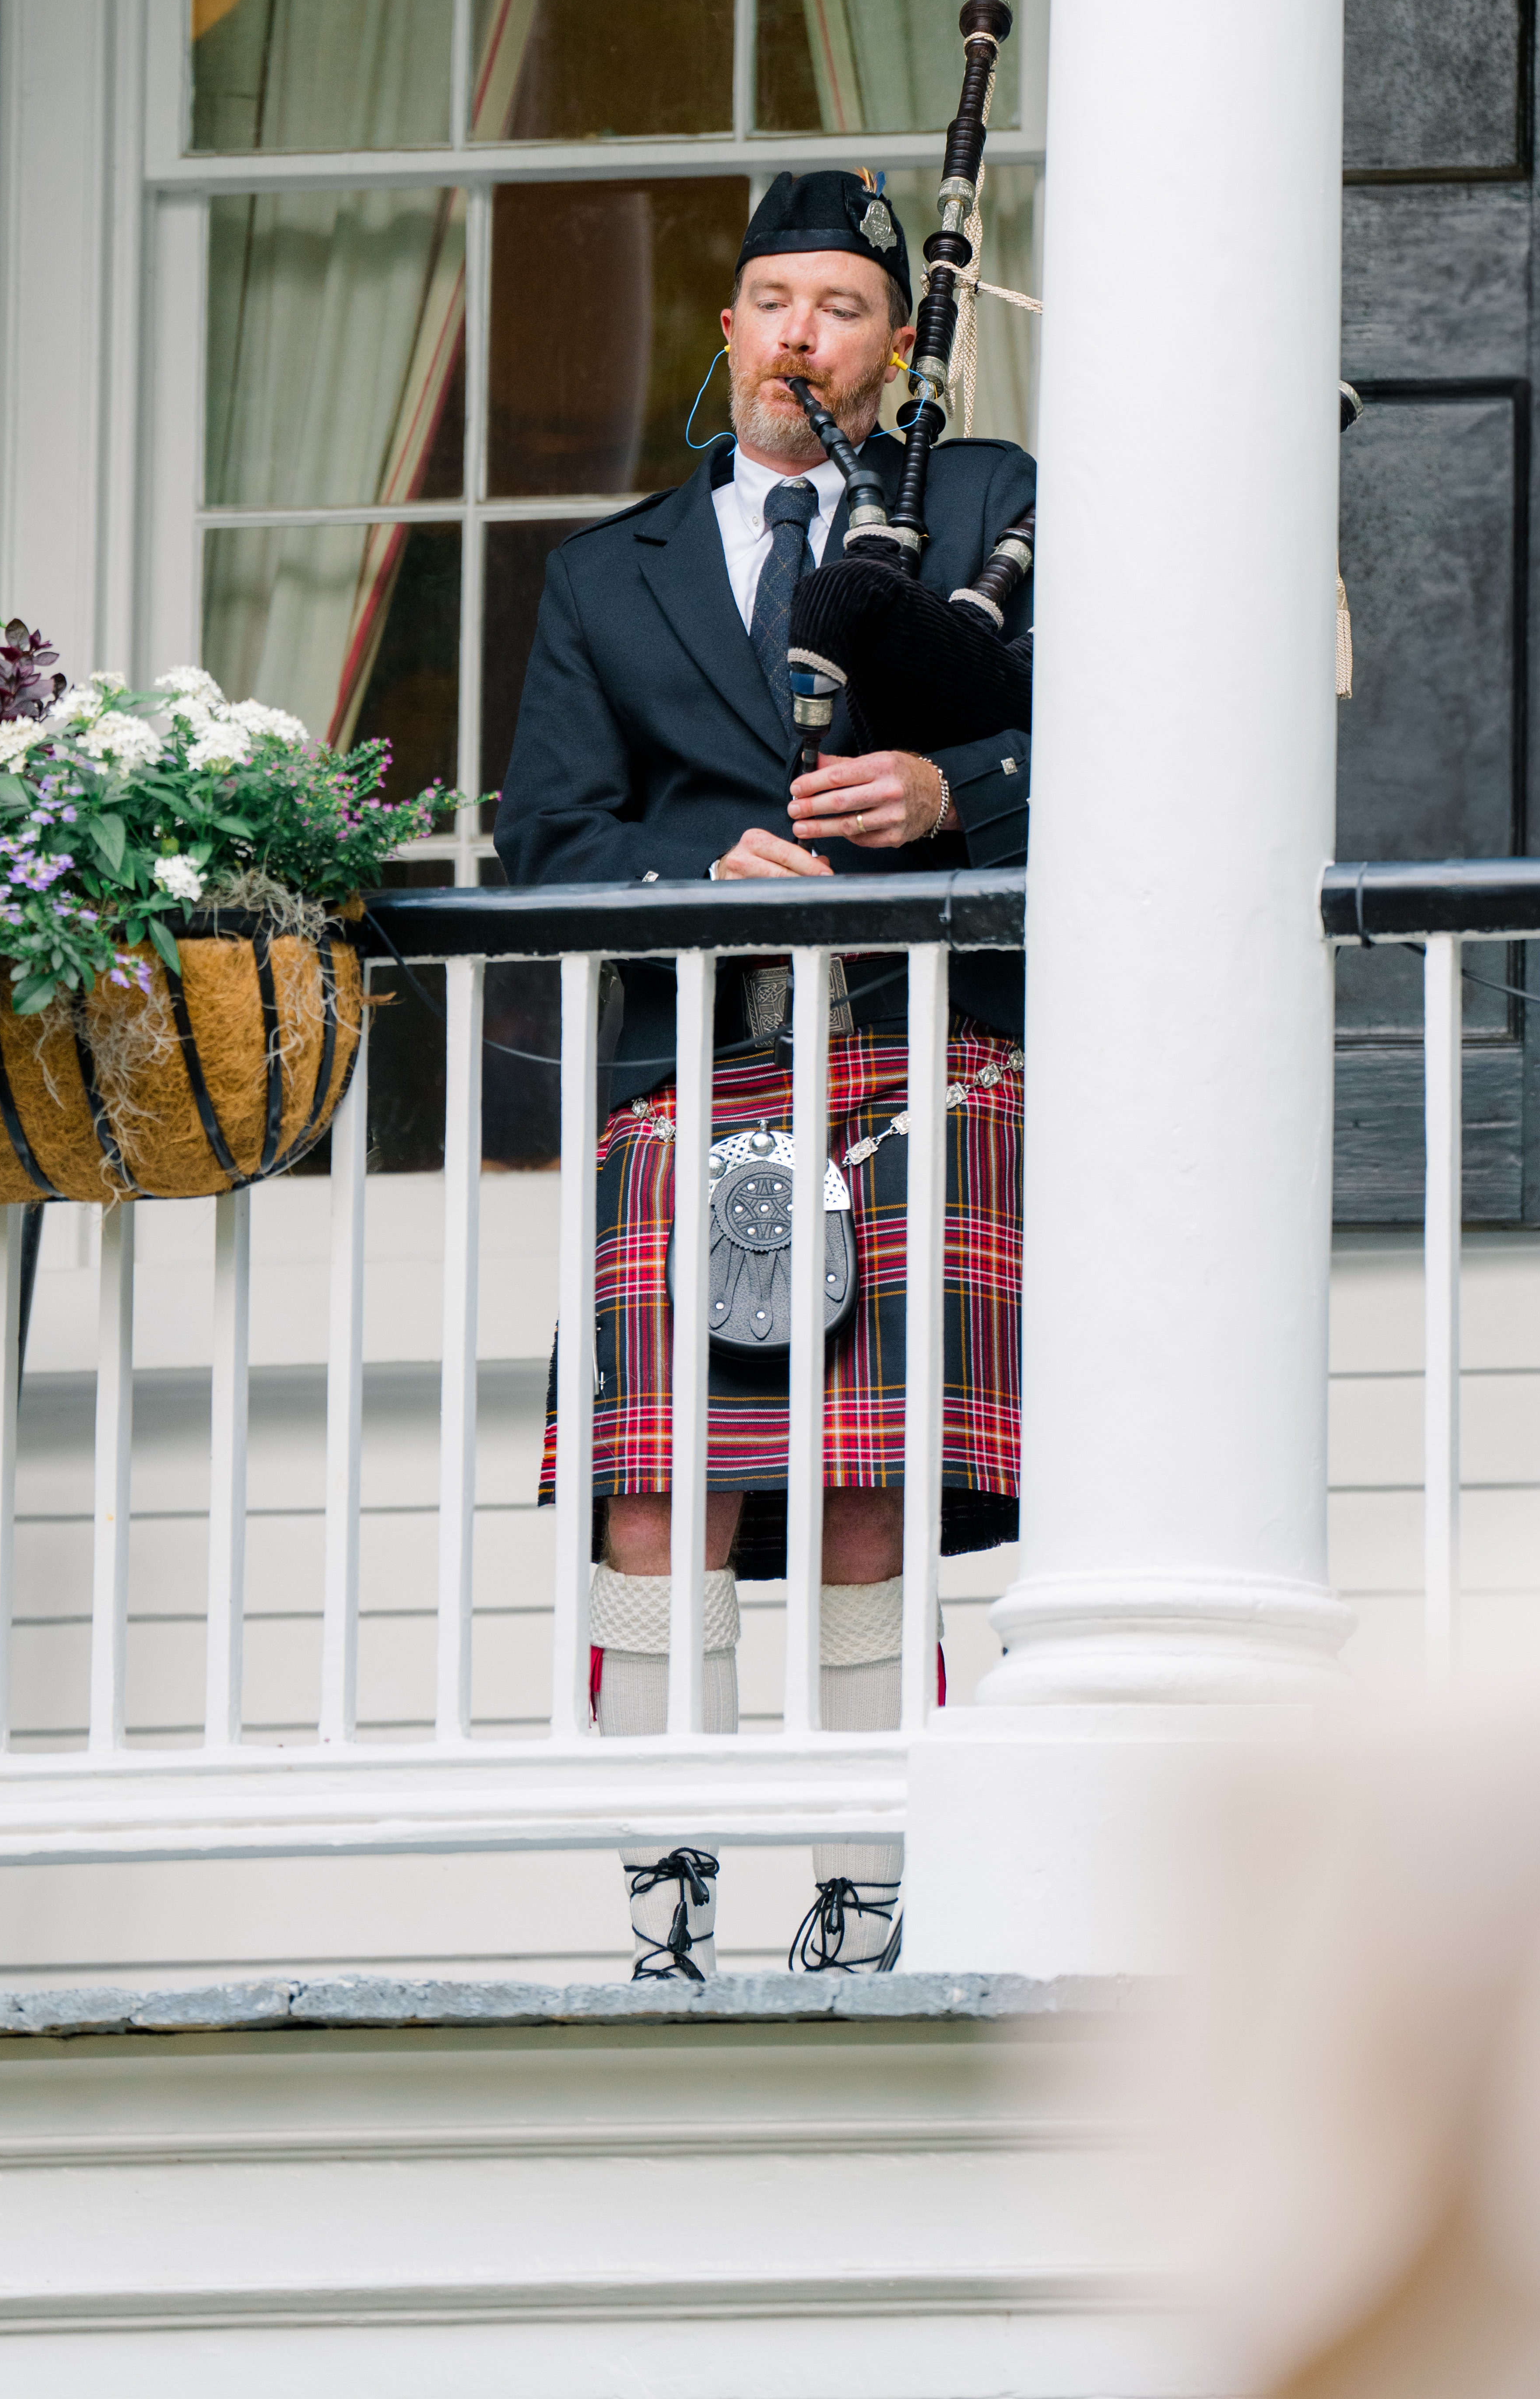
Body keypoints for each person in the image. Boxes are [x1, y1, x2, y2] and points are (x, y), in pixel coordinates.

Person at [496, 168, 1034, 1982]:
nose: (805, 335)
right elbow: (549, 849)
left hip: (915, 1049)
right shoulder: (604, 571)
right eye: (775, 301)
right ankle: (667, 1893)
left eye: (848, 308)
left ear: (897, 348)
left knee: (877, 1476)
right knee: (669, 1487)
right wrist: (691, 874)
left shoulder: (984, 506)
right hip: (690, 1056)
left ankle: (860, 1887)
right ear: (726, 331)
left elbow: (1120, 722)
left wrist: (958, 796)